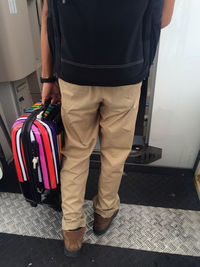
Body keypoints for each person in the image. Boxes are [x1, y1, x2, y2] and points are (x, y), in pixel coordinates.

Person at [41, 0, 175, 258]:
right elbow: (162, 19)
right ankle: (103, 213)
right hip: (127, 70)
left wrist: (48, 78)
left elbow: (49, 14)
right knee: (114, 152)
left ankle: (72, 228)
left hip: (73, 71)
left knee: (76, 152)